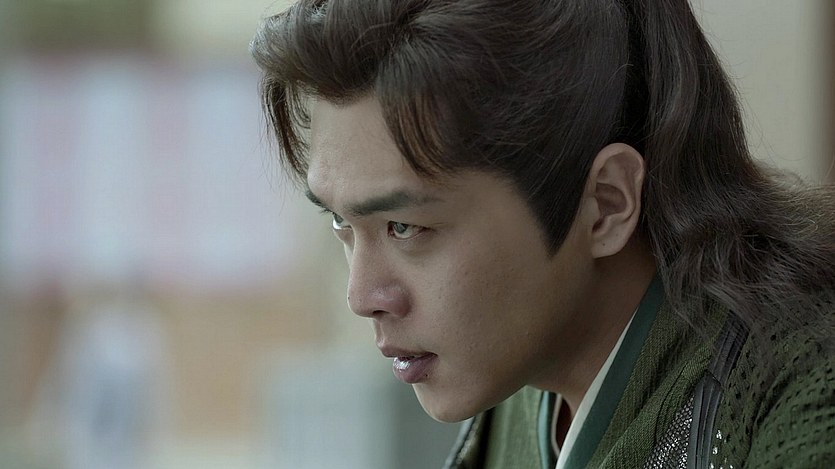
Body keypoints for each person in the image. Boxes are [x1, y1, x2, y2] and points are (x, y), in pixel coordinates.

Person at [250, 1, 835, 467]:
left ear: (606, 204)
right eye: (340, 221)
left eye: (405, 226)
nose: (362, 297)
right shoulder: (515, 365)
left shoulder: (801, 399)